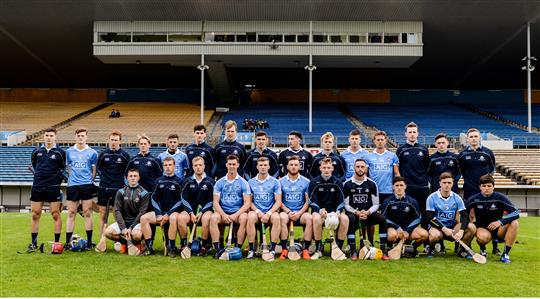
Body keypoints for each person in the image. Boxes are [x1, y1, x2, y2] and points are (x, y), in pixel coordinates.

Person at [140, 157, 193, 256]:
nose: (167, 167)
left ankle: (171, 247)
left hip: (174, 212)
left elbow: (180, 201)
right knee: (144, 218)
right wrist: (159, 214)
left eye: (170, 165)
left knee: (173, 218)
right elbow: (153, 198)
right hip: (160, 212)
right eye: (165, 165)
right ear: (163, 167)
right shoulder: (158, 181)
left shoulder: (180, 181)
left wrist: (168, 214)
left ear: (174, 166)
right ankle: (149, 247)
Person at [27, 128, 66, 252]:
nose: (49, 138)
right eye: (47, 135)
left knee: (55, 214)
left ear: (55, 137)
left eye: (51, 135)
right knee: (35, 214)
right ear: (44, 137)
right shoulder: (36, 151)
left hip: (53, 187)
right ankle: (33, 243)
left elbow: (63, 168)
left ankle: (56, 244)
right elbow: (34, 165)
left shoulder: (60, 152)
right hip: (38, 186)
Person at [466, 175, 519, 263]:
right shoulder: (474, 198)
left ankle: (505, 254)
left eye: (489, 186)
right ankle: (483, 249)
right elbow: (463, 211)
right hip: (482, 228)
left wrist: (500, 222)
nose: (486, 188)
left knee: (515, 223)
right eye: (484, 186)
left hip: (499, 229)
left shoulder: (500, 197)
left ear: (493, 186)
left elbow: (516, 213)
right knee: (482, 238)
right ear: (480, 187)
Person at [343, 159, 389, 260]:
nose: (360, 169)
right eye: (358, 167)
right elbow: (346, 204)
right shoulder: (347, 184)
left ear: (366, 168)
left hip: (368, 213)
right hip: (353, 213)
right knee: (350, 218)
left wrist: (368, 212)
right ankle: (354, 251)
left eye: (362, 167)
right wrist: (356, 212)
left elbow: (376, 204)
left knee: (382, 219)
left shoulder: (372, 184)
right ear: (354, 168)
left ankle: (383, 250)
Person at [425, 172, 476, 258]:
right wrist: (444, 229)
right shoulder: (432, 197)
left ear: (453, 184)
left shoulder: (457, 198)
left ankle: (462, 251)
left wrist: (461, 230)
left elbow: (465, 216)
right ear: (440, 183)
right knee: (434, 235)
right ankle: (431, 249)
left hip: (452, 228)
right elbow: (429, 218)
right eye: (444, 183)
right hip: (437, 227)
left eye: (449, 183)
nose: (447, 185)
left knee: (472, 227)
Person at [209, 155, 251, 258]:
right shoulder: (219, 182)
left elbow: (247, 203)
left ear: (238, 165)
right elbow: (215, 202)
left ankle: (237, 248)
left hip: (238, 212)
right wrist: (223, 215)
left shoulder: (243, 183)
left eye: (234, 164)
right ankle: (218, 249)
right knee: (213, 218)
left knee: (245, 218)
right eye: (230, 164)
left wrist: (235, 215)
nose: (232, 166)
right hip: (223, 212)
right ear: (226, 165)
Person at [65, 128, 98, 250]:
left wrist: (89, 181)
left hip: (86, 185)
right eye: (78, 135)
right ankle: (68, 242)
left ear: (86, 137)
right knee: (71, 212)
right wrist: (73, 178)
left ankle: (89, 243)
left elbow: (94, 170)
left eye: (83, 136)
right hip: (73, 185)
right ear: (75, 137)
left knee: (87, 212)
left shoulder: (92, 152)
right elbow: (68, 168)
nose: (80, 138)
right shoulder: (68, 151)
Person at [308, 158, 349, 260]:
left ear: (332, 168)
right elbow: (311, 201)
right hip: (319, 211)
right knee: (317, 219)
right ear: (320, 168)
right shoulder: (314, 182)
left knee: (345, 219)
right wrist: (320, 210)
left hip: (334, 211)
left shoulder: (338, 182)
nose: (326, 170)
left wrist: (338, 211)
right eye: (324, 167)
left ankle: (337, 248)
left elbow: (342, 200)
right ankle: (318, 249)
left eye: (329, 168)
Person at [104, 169, 149, 253]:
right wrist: (123, 228)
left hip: (137, 223)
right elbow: (117, 210)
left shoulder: (144, 193)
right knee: (107, 232)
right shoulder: (121, 192)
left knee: (137, 235)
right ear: (127, 178)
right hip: (124, 222)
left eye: (135, 176)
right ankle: (124, 242)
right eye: (130, 176)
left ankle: (137, 243)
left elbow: (142, 213)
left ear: (139, 178)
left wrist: (131, 227)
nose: (133, 178)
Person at [380, 176, 428, 255]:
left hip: (408, 231)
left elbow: (418, 218)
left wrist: (407, 230)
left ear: (405, 186)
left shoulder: (412, 201)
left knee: (424, 234)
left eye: (401, 185)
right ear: (393, 187)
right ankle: (391, 247)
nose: (399, 188)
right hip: (394, 230)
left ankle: (411, 248)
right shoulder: (387, 201)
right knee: (391, 235)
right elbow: (383, 218)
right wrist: (397, 227)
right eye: (397, 185)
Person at [96, 130, 130, 238]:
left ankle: (118, 239)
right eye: (112, 140)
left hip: (118, 188)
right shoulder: (103, 154)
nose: (113, 142)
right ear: (108, 140)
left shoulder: (125, 155)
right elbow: (99, 169)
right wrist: (105, 180)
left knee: (118, 214)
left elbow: (127, 172)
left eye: (116, 140)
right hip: (104, 188)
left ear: (120, 141)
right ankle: (102, 239)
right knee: (102, 214)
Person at [395, 122, 430, 228]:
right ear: (405, 134)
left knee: (424, 212)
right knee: (407, 211)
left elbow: (427, 167)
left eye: (414, 132)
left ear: (417, 133)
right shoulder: (400, 150)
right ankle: (408, 237)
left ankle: (424, 238)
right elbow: (398, 169)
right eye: (410, 132)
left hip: (422, 186)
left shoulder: (424, 149)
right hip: (408, 187)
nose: (412, 134)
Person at [246, 157, 282, 259]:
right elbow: (249, 202)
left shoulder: (275, 182)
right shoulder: (251, 182)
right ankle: (252, 249)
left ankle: (273, 250)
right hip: (256, 211)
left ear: (269, 167)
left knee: (276, 218)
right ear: (257, 167)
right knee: (250, 217)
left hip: (270, 211)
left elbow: (278, 201)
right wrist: (258, 212)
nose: (263, 167)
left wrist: (269, 213)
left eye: (265, 165)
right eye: (261, 165)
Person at [278, 155, 312, 260]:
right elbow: (279, 201)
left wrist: (299, 213)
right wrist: (288, 212)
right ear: (287, 167)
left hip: (300, 213)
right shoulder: (280, 181)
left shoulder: (306, 182)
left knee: (309, 218)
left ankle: (306, 249)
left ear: (299, 167)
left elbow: (307, 201)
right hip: (286, 212)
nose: (293, 167)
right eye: (291, 165)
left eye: (296, 165)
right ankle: (284, 249)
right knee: (282, 217)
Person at [181, 156, 215, 256]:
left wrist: (202, 212)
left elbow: (212, 200)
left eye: (200, 165)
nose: (198, 167)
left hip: (205, 210)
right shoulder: (187, 181)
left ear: (204, 166)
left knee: (207, 218)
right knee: (180, 218)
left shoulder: (211, 182)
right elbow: (184, 198)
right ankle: (184, 244)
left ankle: (204, 246)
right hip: (190, 210)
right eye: (196, 165)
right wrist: (191, 213)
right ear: (192, 167)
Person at [458, 128, 496, 201]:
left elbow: (492, 169)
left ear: (480, 138)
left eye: (476, 136)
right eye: (471, 137)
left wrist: (485, 181)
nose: (473, 139)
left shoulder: (488, 152)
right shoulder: (462, 154)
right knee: (470, 210)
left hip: (484, 189)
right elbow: (460, 170)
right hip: (469, 189)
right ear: (467, 139)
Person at [365, 131, 400, 202]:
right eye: (378, 140)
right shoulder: (368, 157)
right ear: (374, 141)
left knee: (388, 212)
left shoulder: (392, 156)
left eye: (382, 139)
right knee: (373, 212)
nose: (380, 141)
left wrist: (397, 187)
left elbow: (396, 174)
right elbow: (365, 175)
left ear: (385, 141)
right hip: (373, 190)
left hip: (388, 191)